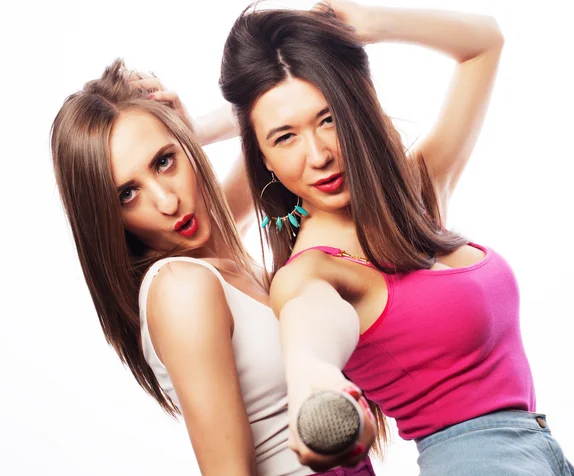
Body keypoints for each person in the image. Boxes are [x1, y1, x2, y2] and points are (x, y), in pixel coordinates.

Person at [219, 1, 574, 474]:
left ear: (358, 109)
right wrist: (316, 387)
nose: (319, 155)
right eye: (284, 137)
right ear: (262, 157)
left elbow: (484, 43)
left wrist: (370, 25)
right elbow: (309, 341)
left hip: (546, 453)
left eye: (328, 119)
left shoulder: (418, 196)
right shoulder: (312, 269)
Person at [50, 60, 375, 475]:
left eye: (165, 161)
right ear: (108, 217)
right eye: (127, 194)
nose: (168, 202)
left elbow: (269, 127)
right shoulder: (181, 286)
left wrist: (194, 126)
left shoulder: (224, 262)